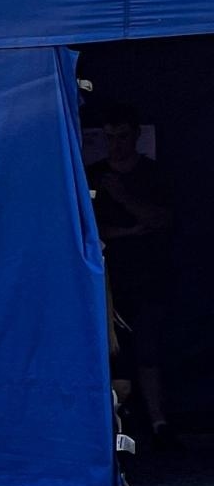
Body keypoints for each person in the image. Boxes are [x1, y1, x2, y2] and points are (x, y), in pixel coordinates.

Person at [86, 103, 173, 444]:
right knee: (110, 354)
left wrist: (123, 198)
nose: (116, 145)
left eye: (122, 136)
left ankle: (158, 423)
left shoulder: (152, 175)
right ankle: (111, 432)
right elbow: (90, 230)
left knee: (149, 349)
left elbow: (162, 219)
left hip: (149, 276)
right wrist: (128, 231)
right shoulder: (94, 175)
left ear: (136, 136)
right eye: (109, 138)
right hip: (105, 282)